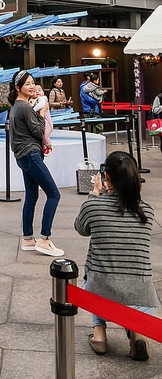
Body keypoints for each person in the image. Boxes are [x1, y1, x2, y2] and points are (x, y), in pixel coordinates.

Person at [74, 151, 158, 361]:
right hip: (143, 299)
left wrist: (94, 194)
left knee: (97, 270)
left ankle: (100, 332)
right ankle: (136, 331)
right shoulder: (146, 212)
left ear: (106, 178)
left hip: (101, 295)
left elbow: (81, 229)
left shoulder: (94, 205)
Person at [9, 70, 63, 257]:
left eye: (33, 83)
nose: (32, 86)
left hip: (23, 157)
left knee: (31, 197)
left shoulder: (16, 106)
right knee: (54, 195)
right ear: (18, 88)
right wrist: (42, 111)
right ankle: (45, 239)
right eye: (27, 84)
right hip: (31, 155)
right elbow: (40, 131)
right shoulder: (23, 107)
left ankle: (28, 239)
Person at [31, 82, 53, 155]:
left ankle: (49, 146)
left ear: (43, 92)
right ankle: (43, 146)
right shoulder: (34, 100)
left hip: (47, 122)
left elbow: (41, 105)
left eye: (39, 90)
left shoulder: (42, 99)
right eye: (34, 91)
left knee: (44, 134)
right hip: (41, 122)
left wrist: (33, 110)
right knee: (40, 135)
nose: (37, 92)